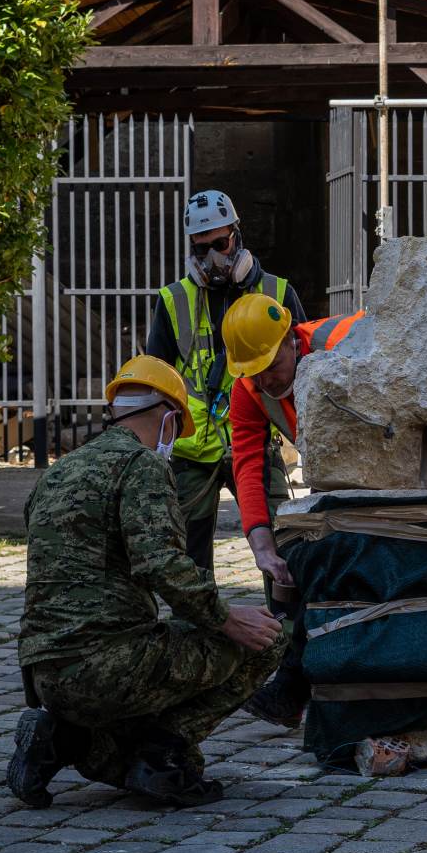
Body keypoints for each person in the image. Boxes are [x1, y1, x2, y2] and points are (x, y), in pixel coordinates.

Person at [6, 355, 287, 809]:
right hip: (106, 667)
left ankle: (59, 737)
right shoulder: (142, 466)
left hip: (45, 675)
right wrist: (227, 619)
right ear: (169, 417)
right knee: (270, 640)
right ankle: (163, 754)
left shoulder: (58, 472)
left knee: (119, 764)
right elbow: (161, 564)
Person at [217, 293, 361, 728]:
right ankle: (296, 682)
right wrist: (261, 541)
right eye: (253, 374)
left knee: (330, 563)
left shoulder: (341, 346)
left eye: (270, 368)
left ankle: (295, 683)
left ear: (289, 341)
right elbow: (249, 461)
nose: (263, 382)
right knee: (295, 560)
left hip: (384, 469)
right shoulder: (248, 388)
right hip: (334, 476)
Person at [144, 190, 305, 577]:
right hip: (192, 450)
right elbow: (159, 380)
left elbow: (303, 365)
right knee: (188, 559)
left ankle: (283, 628)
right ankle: (200, 633)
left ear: (237, 235)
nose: (213, 257)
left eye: (220, 243)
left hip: (255, 437)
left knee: (286, 543)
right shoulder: (172, 300)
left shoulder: (277, 293)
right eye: (201, 249)